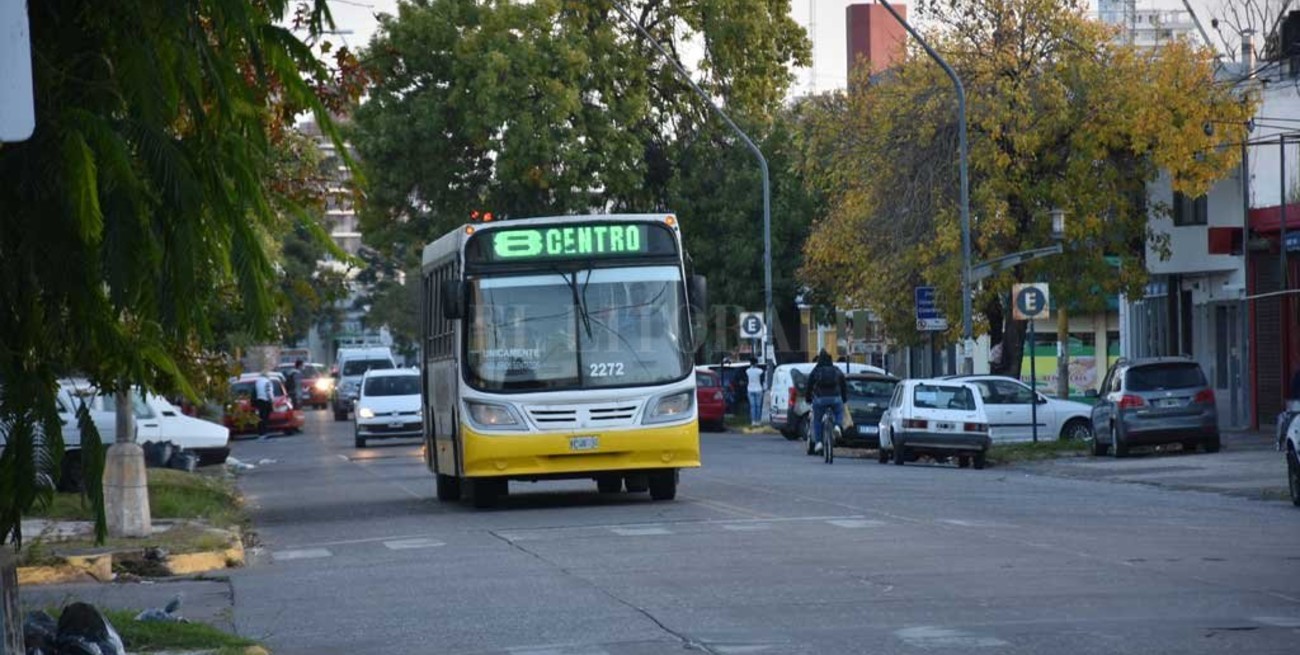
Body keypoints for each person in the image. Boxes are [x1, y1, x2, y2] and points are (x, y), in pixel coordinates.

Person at [804, 349, 847, 454]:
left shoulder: (816, 370)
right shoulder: (836, 370)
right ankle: (837, 426)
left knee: (817, 420)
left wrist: (808, 398)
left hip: (820, 399)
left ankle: (819, 442)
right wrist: (844, 398)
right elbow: (843, 383)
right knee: (839, 411)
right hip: (835, 398)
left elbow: (809, 385)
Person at [254, 370, 275, 440]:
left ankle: (260, 433)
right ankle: (264, 433)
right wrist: (272, 401)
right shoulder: (267, 382)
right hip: (266, 401)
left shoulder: (257, 382)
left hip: (259, 400)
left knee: (261, 418)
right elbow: (269, 392)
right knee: (265, 418)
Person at [745, 358, 765, 426]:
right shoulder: (760, 371)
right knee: (758, 406)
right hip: (758, 389)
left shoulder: (747, 371)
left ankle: (753, 421)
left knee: (752, 406)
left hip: (750, 389)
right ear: (756, 363)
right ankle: (758, 421)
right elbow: (762, 379)